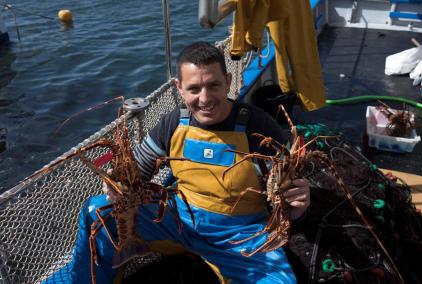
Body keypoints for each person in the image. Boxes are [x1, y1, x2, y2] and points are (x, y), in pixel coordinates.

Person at [46, 42, 310, 284]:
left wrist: (297, 203)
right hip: (178, 218)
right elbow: (139, 169)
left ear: (228, 81)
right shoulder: (173, 122)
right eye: (194, 89)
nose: (205, 99)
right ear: (179, 88)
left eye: (213, 85)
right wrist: (117, 183)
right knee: (97, 211)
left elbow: (287, 198)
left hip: (239, 233)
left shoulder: (260, 127)